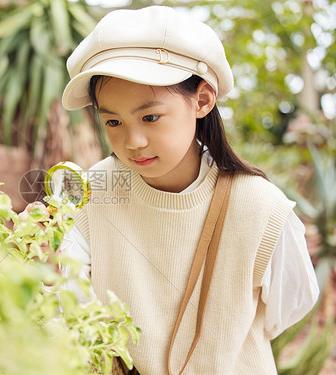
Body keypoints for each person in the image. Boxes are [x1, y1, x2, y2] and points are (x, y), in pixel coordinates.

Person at [21, 5, 319, 375]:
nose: (133, 141)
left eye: (150, 116)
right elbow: (72, 307)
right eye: (113, 121)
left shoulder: (262, 208)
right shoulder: (92, 192)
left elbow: (290, 308)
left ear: (203, 100)